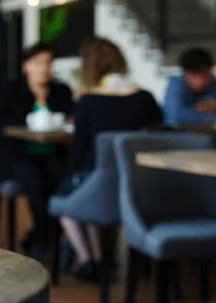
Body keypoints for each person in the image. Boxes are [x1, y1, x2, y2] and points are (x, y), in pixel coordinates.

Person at [58, 37, 162, 281]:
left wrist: (69, 173)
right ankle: (102, 259)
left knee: (64, 200)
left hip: (101, 184)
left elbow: (78, 149)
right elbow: (158, 133)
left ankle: (87, 259)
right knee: (89, 191)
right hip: (141, 184)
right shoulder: (145, 97)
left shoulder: (88, 101)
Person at [0, 42, 73, 257]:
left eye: (47, 63)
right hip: (16, 155)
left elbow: (72, 119)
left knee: (68, 183)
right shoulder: (14, 89)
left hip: (53, 153)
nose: (44, 68)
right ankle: (46, 244)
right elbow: (0, 123)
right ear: (26, 65)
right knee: (37, 182)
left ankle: (36, 238)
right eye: (38, 63)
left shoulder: (61, 91)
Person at [163, 47, 216, 124]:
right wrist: (211, 117)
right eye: (194, 75)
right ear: (185, 73)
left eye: (204, 75)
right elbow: (175, 116)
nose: (200, 81)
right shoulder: (176, 85)